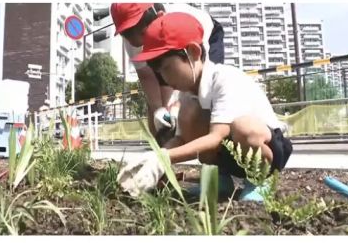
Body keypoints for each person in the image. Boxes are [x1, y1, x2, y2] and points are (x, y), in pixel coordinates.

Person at [117, 13, 293, 201]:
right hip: (233, 154)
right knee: (190, 114)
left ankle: (261, 180)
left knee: (243, 128)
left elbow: (216, 138)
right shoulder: (187, 93)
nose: (165, 79)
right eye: (159, 73)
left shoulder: (225, 79)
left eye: (167, 68)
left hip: (269, 149)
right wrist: (155, 156)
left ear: (193, 52)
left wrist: (164, 159)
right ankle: (220, 180)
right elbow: (182, 139)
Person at [110, 3, 225, 143]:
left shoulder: (186, 21)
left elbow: (195, 71)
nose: (138, 42)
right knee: (161, 109)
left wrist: (178, 104)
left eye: (143, 35)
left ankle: (204, 141)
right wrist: (159, 109)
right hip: (169, 52)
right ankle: (164, 144)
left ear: (156, 16)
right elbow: (146, 75)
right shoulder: (133, 38)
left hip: (204, 42)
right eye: (130, 38)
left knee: (202, 93)